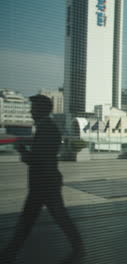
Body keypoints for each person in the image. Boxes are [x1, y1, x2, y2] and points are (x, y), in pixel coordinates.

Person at [1, 95, 84, 264]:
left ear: (41, 110)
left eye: (33, 107)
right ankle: (10, 251)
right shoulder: (47, 128)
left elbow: (37, 160)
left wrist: (22, 150)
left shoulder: (46, 129)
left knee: (33, 220)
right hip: (46, 183)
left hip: (44, 184)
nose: (31, 111)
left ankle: (10, 252)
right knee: (42, 219)